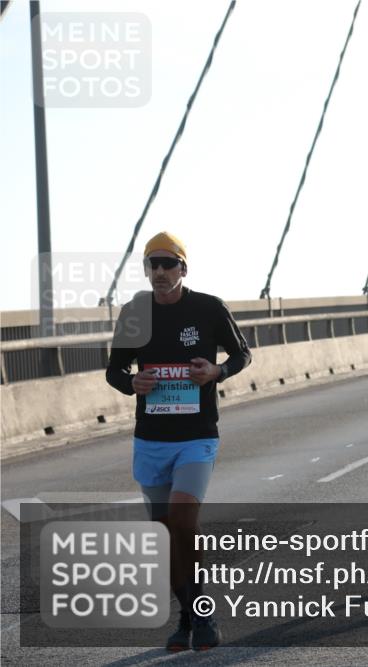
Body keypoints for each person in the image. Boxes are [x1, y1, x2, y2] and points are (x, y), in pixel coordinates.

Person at [106, 232, 252, 651]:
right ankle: (187, 619)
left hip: (196, 436)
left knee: (183, 521)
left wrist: (217, 372)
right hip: (151, 439)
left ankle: (202, 615)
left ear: (183, 268)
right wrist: (132, 382)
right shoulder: (135, 312)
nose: (159, 271)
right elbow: (114, 371)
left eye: (168, 263)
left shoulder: (208, 307)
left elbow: (242, 354)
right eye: (152, 264)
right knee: (164, 536)